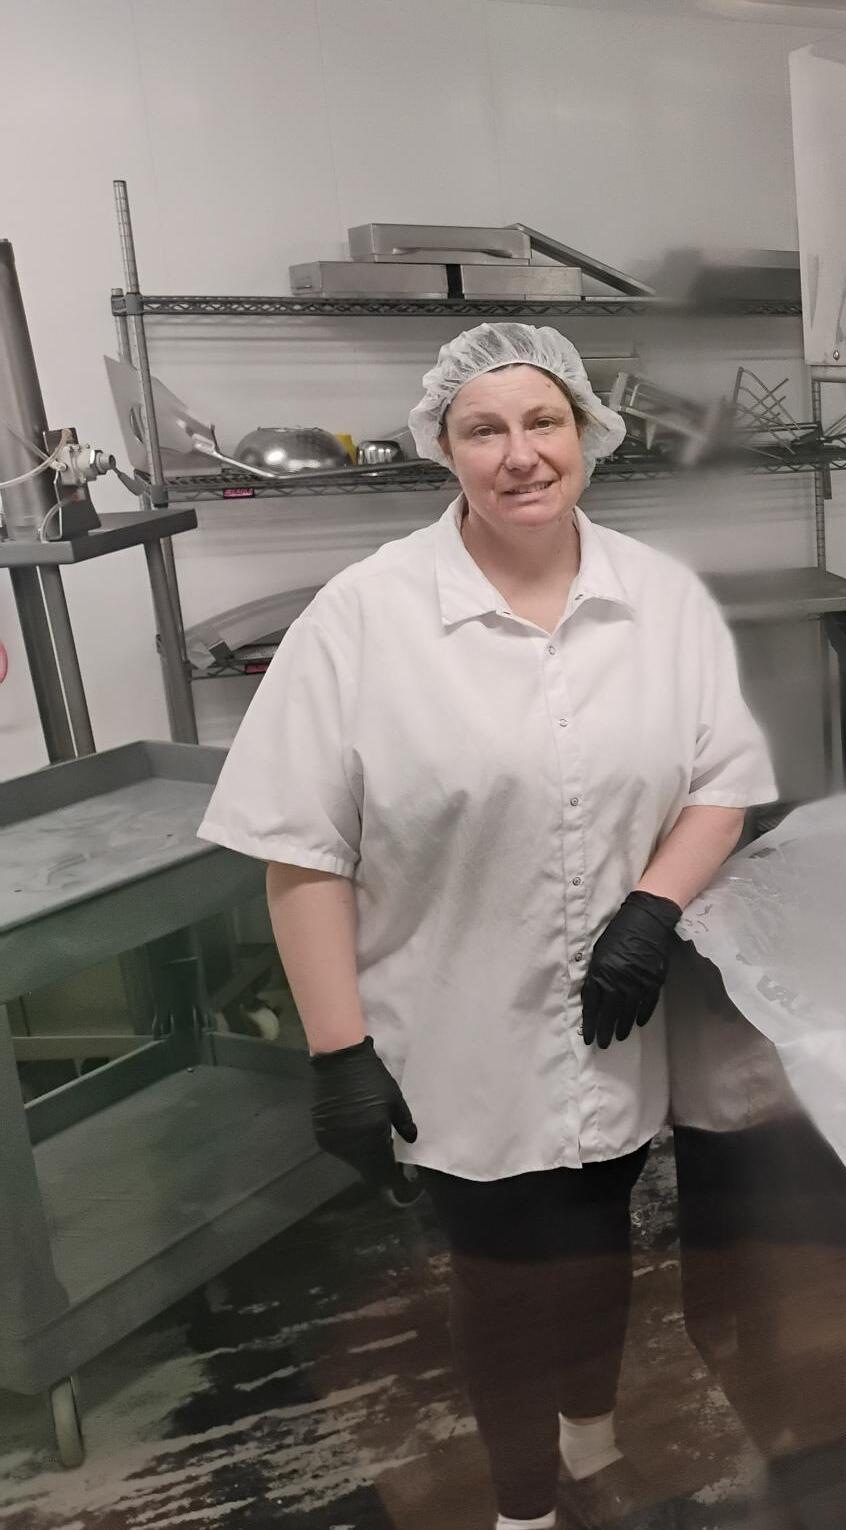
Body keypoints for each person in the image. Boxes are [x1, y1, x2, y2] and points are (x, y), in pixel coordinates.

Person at [199, 323, 776, 1530]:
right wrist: (339, 1052)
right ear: (444, 450)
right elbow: (301, 854)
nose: (519, 455)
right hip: (450, 1032)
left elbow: (722, 781)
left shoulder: (658, 599)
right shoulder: (363, 620)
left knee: (601, 1239)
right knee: (503, 1280)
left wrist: (652, 909)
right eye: (484, 430)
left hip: (611, 1017)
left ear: (587, 437)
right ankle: (526, 1513)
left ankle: (594, 1450)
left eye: (543, 422)